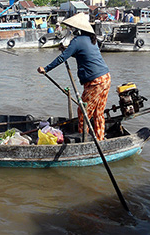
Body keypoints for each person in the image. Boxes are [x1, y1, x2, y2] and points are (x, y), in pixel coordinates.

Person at [37, 13, 111, 141]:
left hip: (95, 82)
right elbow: (83, 55)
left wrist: (46, 69)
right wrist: (67, 50)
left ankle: (84, 140)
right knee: (98, 113)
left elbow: (62, 58)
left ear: (77, 29)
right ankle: (99, 138)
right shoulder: (91, 39)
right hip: (105, 78)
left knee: (83, 111)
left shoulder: (77, 41)